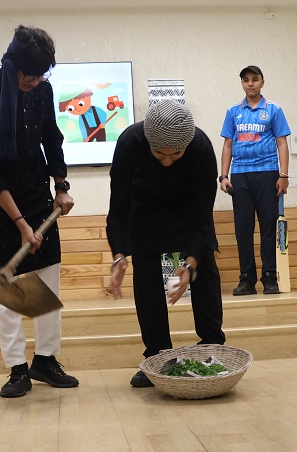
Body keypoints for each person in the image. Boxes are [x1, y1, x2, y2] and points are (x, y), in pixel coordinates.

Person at [0, 25, 78, 398]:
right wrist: (19, 223)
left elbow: (52, 138)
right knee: (4, 289)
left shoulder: (42, 89)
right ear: (12, 65)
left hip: (36, 194)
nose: (35, 81)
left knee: (46, 280)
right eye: (30, 75)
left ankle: (45, 360)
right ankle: (17, 368)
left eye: (42, 74)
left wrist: (61, 187)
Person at [106, 100, 226, 388]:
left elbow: (202, 215)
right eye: (159, 154)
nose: (167, 161)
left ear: (187, 145)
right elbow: (118, 207)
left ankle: (212, 347)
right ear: (149, 141)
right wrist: (119, 255)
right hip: (144, 206)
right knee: (146, 275)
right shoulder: (130, 143)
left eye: (176, 155)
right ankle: (157, 355)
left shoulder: (200, 147)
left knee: (204, 269)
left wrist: (191, 263)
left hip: (188, 206)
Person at [219, 65, 291, 296]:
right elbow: (227, 145)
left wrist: (283, 175)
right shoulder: (233, 111)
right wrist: (224, 176)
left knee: (268, 227)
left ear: (262, 82)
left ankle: (270, 278)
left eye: (255, 79)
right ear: (242, 83)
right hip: (240, 176)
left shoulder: (273, 109)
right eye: (246, 80)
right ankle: (247, 280)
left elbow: (282, 143)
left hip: (268, 173)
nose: (250, 83)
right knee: (243, 229)